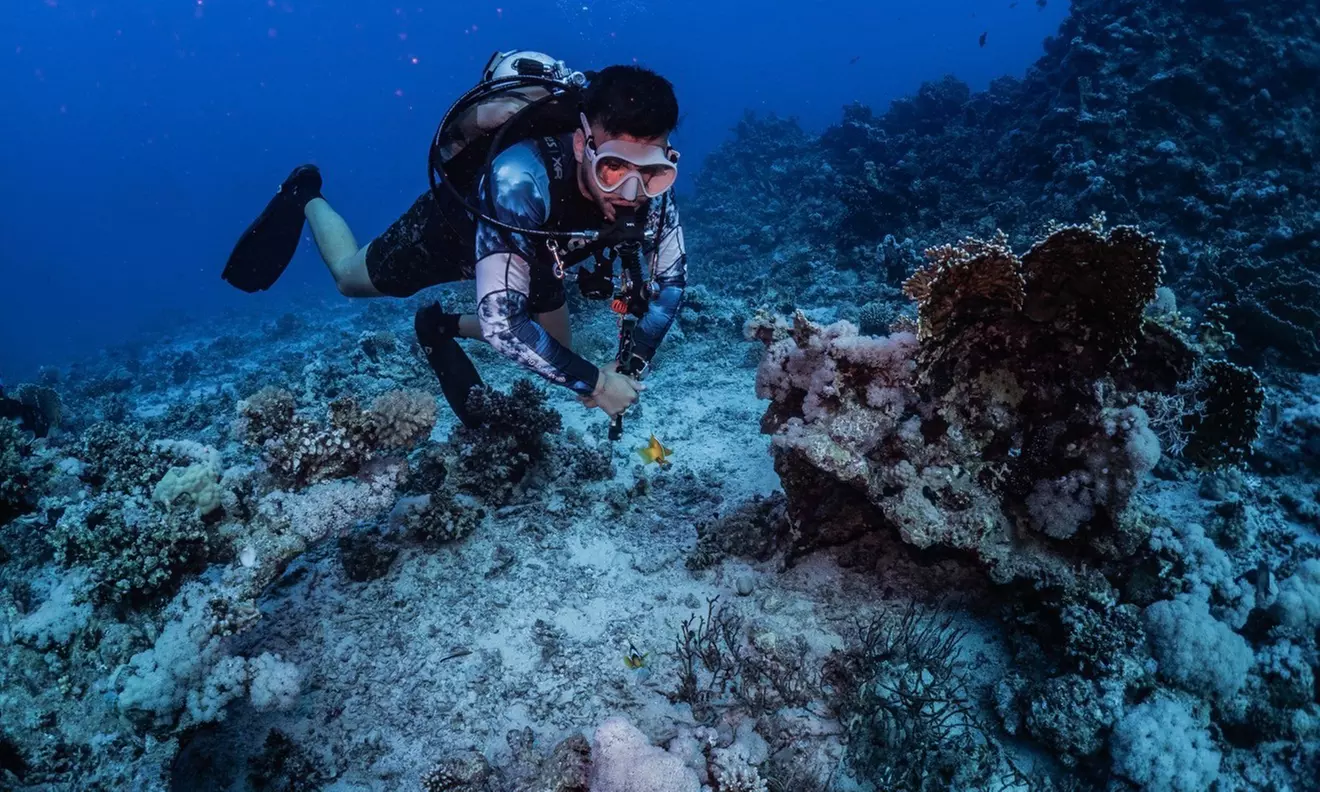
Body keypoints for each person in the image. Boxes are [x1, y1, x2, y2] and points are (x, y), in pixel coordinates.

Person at [222, 55, 687, 430]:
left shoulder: (651, 193)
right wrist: (597, 386)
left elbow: (669, 285)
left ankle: (438, 325)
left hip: (542, 249)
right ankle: (306, 195)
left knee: (556, 345)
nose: (632, 194)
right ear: (584, 144)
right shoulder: (518, 178)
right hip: (453, 234)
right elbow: (504, 326)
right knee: (348, 277)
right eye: (614, 169)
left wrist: (630, 364)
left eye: (653, 174)